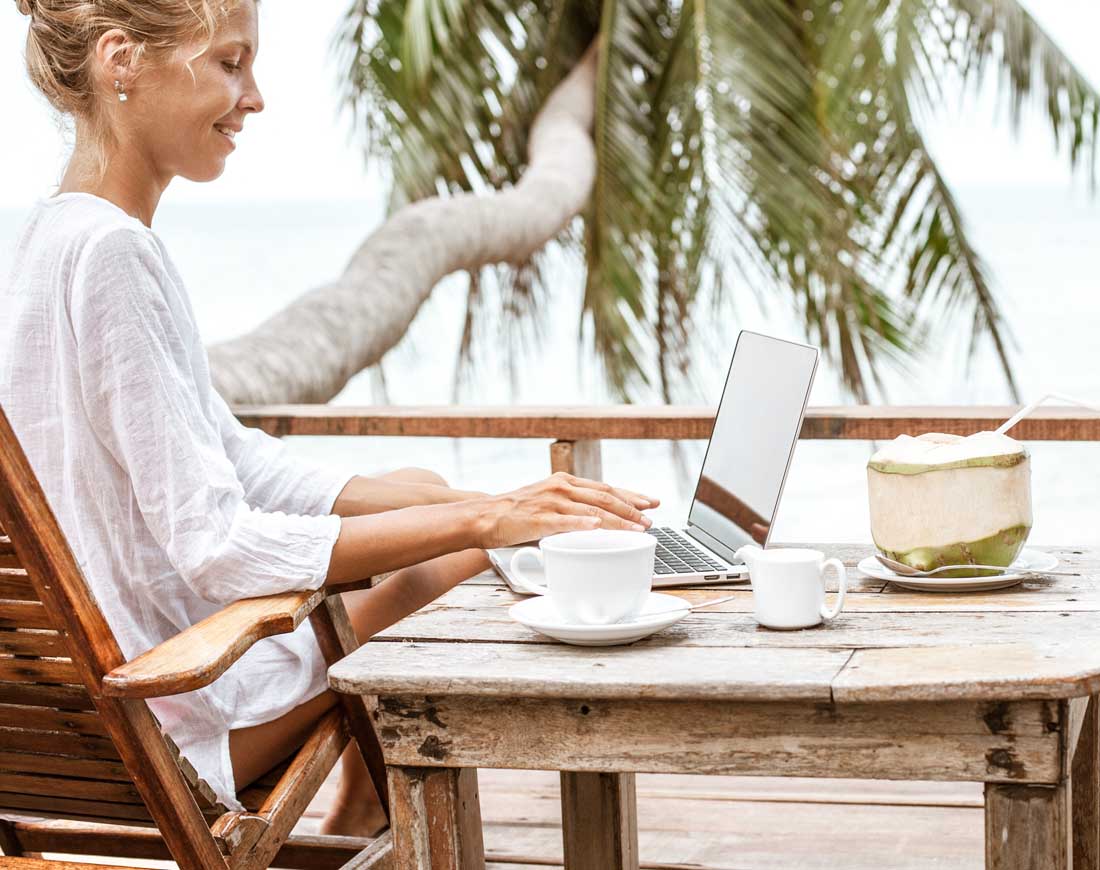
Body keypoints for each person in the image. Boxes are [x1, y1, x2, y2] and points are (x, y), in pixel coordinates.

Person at [2, 0, 659, 836]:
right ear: (120, 60)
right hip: (167, 719)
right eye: (230, 64)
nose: (256, 97)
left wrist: (473, 499)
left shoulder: (50, 238)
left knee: (426, 493)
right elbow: (215, 543)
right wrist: (485, 520)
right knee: (459, 553)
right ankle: (380, 820)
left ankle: (363, 806)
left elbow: (234, 458)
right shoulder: (114, 256)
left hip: (72, 723)